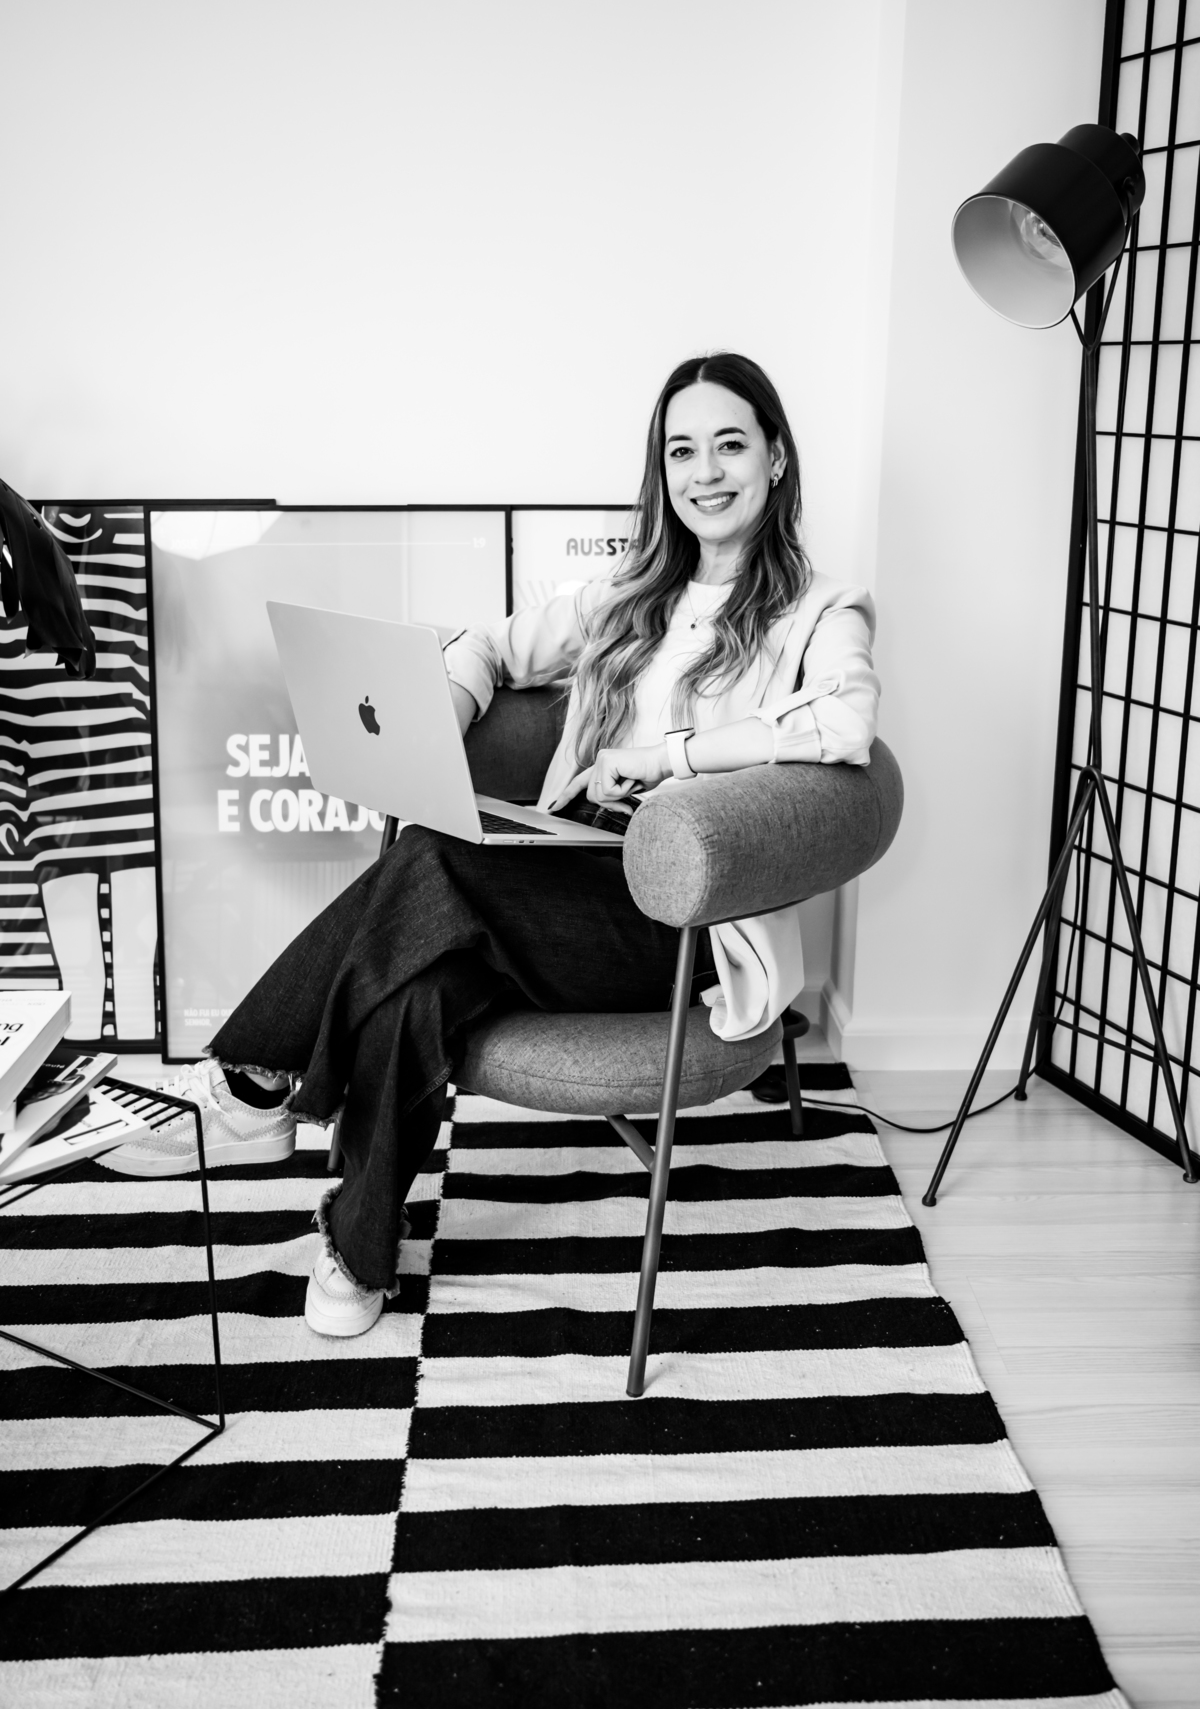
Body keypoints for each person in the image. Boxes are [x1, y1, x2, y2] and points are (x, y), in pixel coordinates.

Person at [100, 352, 880, 1339]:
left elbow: (845, 725)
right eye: (682, 451)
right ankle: (359, 1246)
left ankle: (251, 1082)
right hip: (564, 870)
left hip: (679, 915)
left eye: (730, 444)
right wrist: (450, 710)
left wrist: (667, 755)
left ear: (775, 456)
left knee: (435, 855)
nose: (706, 472)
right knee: (417, 985)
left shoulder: (820, 608)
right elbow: (485, 643)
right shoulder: (626, 594)